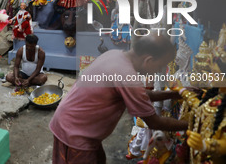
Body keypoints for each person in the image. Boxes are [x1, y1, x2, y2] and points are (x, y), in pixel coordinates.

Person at [49, 34, 188, 164]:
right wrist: (191, 124)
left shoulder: (115, 55)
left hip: (68, 121)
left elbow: (141, 95)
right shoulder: (128, 76)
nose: (158, 71)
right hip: (75, 132)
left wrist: (173, 94)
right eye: (159, 66)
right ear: (149, 60)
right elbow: (155, 122)